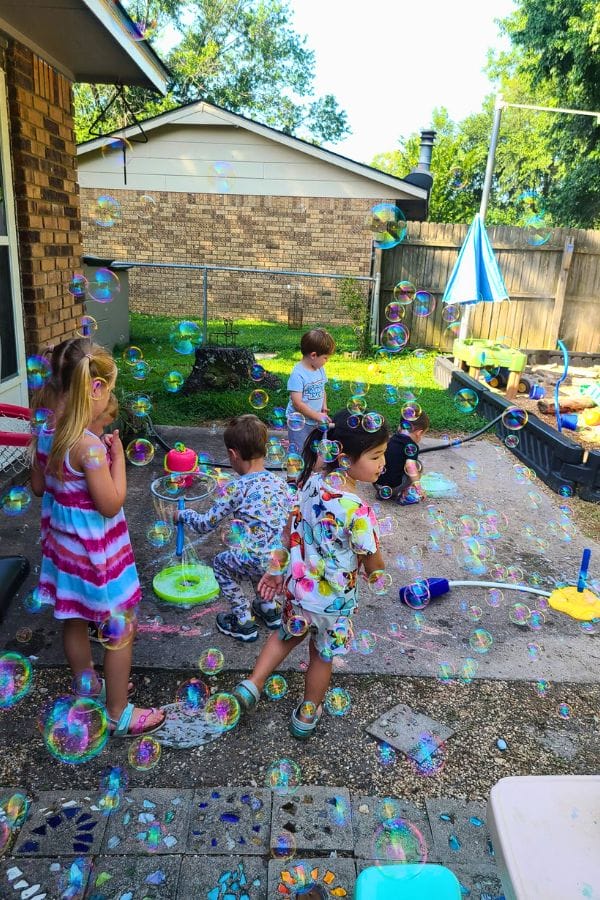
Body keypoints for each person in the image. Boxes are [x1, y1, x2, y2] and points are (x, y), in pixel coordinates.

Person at [30, 338, 164, 737]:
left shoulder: (47, 433)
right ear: (97, 389)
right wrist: (118, 458)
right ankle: (118, 711)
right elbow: (110, 503)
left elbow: (38, 487)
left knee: (72, 621)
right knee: (120, 629)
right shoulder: (89, 448)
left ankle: (87, 688)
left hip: (64, 556)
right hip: (98, 559)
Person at [232, 409, 389, 738]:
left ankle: (253, 683)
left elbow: (290, 529)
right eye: (376, 455)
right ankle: (306, 714)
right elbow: (373, 563)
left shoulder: (310, 484)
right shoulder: (358, 511)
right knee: (321, 655)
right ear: (344, 459)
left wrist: (277, 570)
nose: (382, 463)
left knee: (284, 636)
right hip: (334, 606)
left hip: (299, 591)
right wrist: (377, 572)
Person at [178, 414, 290, 643]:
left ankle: (242, 620)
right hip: (278, 561)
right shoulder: (279, 482)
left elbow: (204, 524)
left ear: (233, 454)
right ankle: (269, 608)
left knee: (222, 563)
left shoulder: (236, 487)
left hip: (257, 559)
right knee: (255, 552)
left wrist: (183, 514)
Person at [286, 328, 336, 456]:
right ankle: (294, 476)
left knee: (318, 450)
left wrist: (324, 408)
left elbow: (322, 388)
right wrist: (317, 416)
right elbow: (297, 403)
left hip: (317, 419)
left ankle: (313, 471)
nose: (327, 361)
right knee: (299, 451)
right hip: (299, 422)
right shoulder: (298, 375)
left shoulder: (319, 369)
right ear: (313, 355)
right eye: (325, 358)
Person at [375, 411, 430, 504]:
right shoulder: (411, 446)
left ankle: (382, 492)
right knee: (417, 466)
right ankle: (404, 495)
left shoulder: (392, 439)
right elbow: (410, 466)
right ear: (419, 433)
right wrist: (418, 488)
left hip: (376, 482)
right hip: (393, 487)